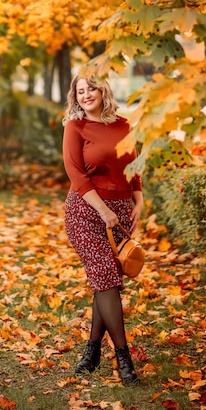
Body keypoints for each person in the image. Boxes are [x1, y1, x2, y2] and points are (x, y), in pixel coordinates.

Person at [62, 74, 143, 386]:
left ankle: (92, 352)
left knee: (104, 279)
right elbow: (76, 174)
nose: (85, 95)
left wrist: (139, 199)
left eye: (90, 88)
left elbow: (133, 166)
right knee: (106, 277)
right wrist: (104, 210)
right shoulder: (75, 126)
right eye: (79, 91)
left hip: (121, 213)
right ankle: (124, 358)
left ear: (102, 89)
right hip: (86, 211)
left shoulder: (124, 125)